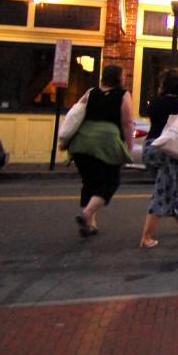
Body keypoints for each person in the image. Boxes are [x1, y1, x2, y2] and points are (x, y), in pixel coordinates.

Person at [62, 65, 133, 238]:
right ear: (118, 78)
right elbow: (127, 123)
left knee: (89, 182)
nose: (124, 78)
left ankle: (90, 224)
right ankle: (86, 214)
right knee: (111, 182)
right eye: (123, 75)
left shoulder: (91, 92)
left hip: (81, 142)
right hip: (105, 142)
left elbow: (76, 114)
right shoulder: (123, 95)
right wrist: (128, 146)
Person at [139, 68, 178, 249]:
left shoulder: (155, 102)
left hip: (150, 148)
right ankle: (146, 236)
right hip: (170, 152)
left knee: (172, 186)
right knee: (163, 191)